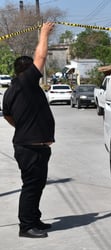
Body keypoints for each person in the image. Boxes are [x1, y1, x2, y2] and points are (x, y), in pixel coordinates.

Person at [2, 22, 55, 238]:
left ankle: (34, 219)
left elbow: (8, 116)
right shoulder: (25, 83)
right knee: (31, 186)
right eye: (34, 68)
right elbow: (40, 57)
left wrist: (23, 127)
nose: (38, 70)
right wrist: (43, 33)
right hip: (30, 149)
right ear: (27, 71)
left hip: (33, 146)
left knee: (37, 185)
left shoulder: (13, 90)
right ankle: (26, 226)